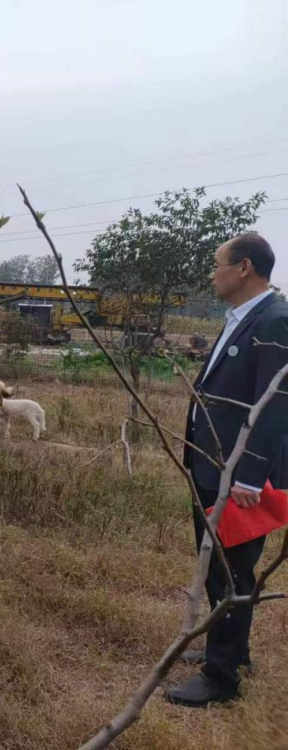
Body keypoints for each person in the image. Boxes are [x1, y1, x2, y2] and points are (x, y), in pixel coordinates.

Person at [166, 233, 288, 707]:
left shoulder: (274, 321)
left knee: (233, 570)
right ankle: (233, 652)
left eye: (217, 264)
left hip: (239, 475)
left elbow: (276, 405)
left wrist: (250, 477)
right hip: (213, 465)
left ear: (244, 268)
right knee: (218, 569)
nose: (212, 274)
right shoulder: (241, 317)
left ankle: (221, 679)